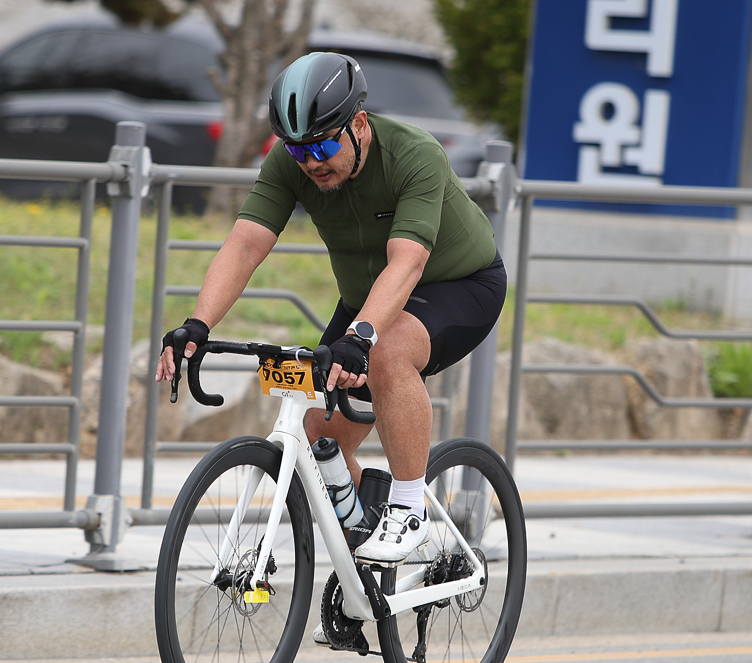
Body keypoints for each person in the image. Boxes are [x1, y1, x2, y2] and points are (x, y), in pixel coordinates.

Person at [155, 50, 505, 563]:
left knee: (385, 353)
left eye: (322, 145)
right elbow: (246, 245)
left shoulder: (415, 154)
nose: (311, 162)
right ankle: (368, 548)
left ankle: (409, 509)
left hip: (459, 284)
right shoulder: (292, 163)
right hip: (368, 298)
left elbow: (407, 262)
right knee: (318, 438)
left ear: (359, 124)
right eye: (298, 150)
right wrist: (198, 324)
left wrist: (360, 337)